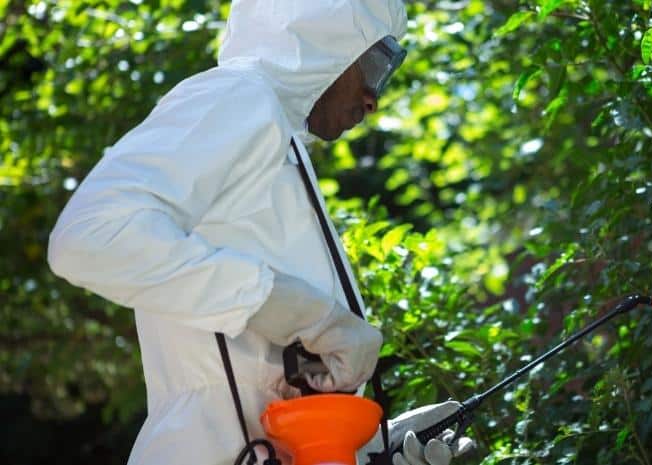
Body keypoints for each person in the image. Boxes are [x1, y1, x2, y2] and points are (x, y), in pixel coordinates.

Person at [46, 0, 473, 464]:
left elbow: (262, 394)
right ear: (324, 36)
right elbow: (92, 237)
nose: (373, 97)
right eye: (376, 62)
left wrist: (367, 446)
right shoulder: (239, 96)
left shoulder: (277, 142)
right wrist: (301, 314)